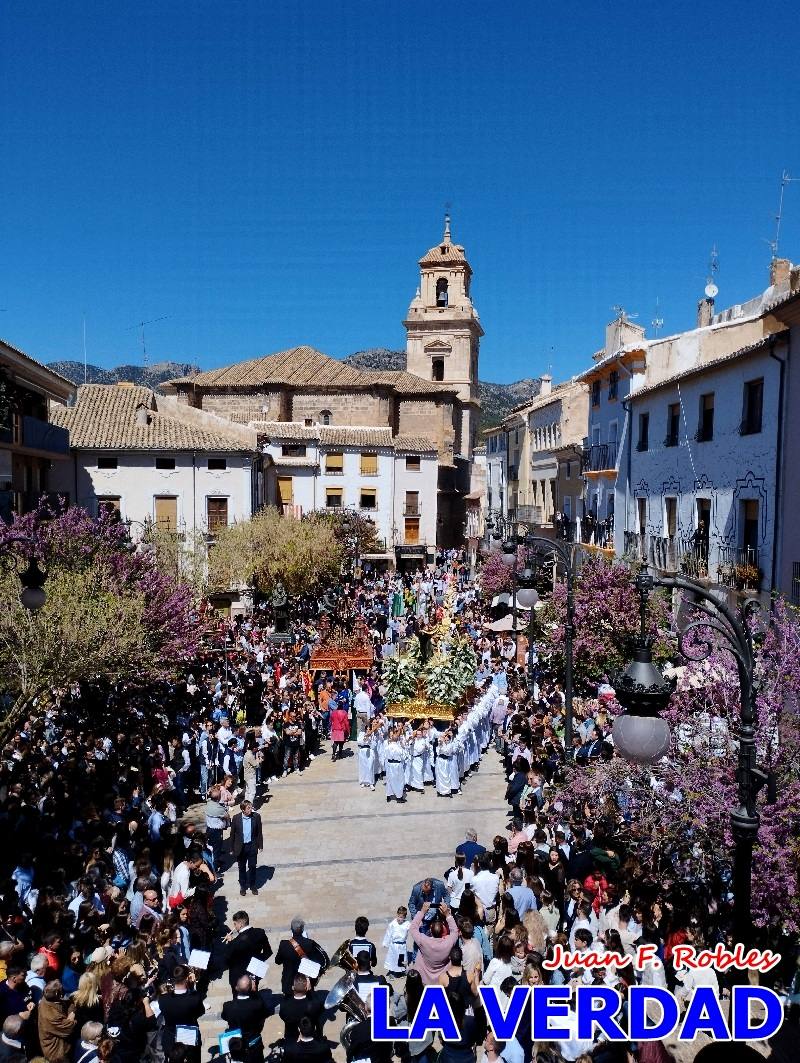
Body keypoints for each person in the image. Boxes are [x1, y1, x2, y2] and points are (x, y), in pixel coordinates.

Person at [157, 964, 205, 1063]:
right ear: (187, 978)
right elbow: (201, 1012)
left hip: (170, 1039)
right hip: (189, 1038)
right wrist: (192, 989)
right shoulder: (194, 998)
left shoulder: (163, 999)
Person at [221, 975, 269, 1063]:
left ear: (236, 987)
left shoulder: (227, 1006)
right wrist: (255, 993)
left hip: (235, 1043)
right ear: (251, 988)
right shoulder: (257, 1004)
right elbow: (265, 1013)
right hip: (253, 1042)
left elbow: (224, 1017)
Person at [274, 918, 328, 997]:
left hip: (289, 984)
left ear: (291, 929)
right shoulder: (310, 943)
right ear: (303, 929)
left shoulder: (283, 944)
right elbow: (324, 960)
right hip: (306, 983)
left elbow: (277, 961)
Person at [410, 902, 458, 985]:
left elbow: (413, 928)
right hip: (442, 980)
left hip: (424, 979)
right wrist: (447, 915)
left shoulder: (423, 941)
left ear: (430, 930)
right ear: (443, 930)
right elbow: (454, 931)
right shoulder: (449, 942)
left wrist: (422, 912)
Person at [224, 911, 272, 990]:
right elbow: (268, 952)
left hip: (239, 980)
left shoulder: (235, 943)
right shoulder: (260, 933)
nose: (234, 927)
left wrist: (231, 942)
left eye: (235, 924)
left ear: (240, 924)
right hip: (254, 975)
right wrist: (257, 962)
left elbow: (227, 961)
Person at [230, 800, 264, 897]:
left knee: (252, 866)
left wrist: (260, 845)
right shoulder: (236, 818)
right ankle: (243, 886)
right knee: (242, 867)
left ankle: (253, 885)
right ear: (243, 809)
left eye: (251, 807)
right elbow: (232, 834)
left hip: (252, 846)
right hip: (241, 847)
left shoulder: (256, 817)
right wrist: (232, 848)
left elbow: (259, 832)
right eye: (248, 808)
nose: (251, 809)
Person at [37, 980, 76, 1063]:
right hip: (56, 1054)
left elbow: (61, 1004)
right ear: (57, 994)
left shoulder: (46, 998)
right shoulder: (52, 1016)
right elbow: (69, 1028)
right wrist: (72, 1010)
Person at [278, 974, 324, 1043]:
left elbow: (282, 1016)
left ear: (293, 988)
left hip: (291, 1038)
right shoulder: (314, 1004)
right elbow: (320, 1009)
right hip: (308, 1037)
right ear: (306, 988)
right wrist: (311, 992)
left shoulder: (284, 1005)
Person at [382, 907, 410, 976]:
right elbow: (388, 933)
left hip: (402, 945)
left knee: (401, 958)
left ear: (404, 917)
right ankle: (391, 971)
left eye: (401, 917)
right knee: (392, 958)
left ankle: (400, 971)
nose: (399, 919)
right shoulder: (393, 924)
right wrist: (385, 943)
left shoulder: (407, 924)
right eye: (398, 916)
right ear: (397, 914)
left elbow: (413, 929)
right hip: (394, 945)